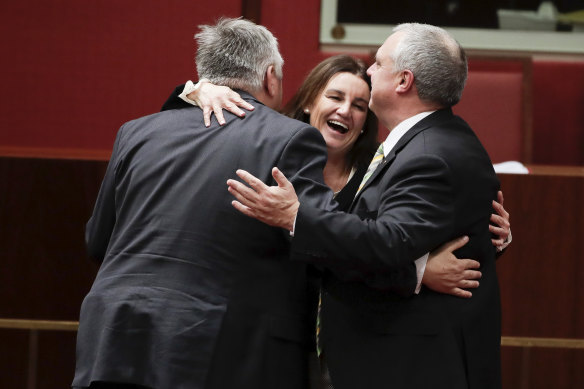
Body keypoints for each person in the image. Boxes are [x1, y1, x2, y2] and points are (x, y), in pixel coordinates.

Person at [227, 23, 505, 389]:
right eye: (335, 97)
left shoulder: (427, 154)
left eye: (377, 63)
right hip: (281, 341)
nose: (370, 71)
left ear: (403, 81)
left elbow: (388, 241)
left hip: (403, 361)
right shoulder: (436, 141)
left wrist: (296, 217)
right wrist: (421, 270)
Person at [73, 17, 338, 389]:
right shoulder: (292, 138)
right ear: (271, 77)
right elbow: (320, 239)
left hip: (115, 334)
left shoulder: (135, 132)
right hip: (215, 346)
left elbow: (97, 240)